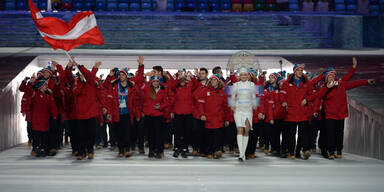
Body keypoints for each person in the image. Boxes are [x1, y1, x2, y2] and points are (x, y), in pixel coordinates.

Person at [317, 66, 375, 159]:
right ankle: (331, 151)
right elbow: (319, 95)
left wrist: (366, 82)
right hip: (330, 114)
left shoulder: (341, 84)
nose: (331, 78)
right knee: (330, 133)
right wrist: (327, 87)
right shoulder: (323, 86)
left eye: (332, 76)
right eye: (329, 76)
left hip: (341, 114)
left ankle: (338, 150)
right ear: (326, 78)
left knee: (339, 133)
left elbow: (354, 84)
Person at [104, 57, 144, 158]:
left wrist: (140, 65)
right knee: (118, 133)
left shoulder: (131, 85)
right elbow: (109, 100)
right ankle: (121, 150)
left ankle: (127, 149)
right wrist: (109, 112)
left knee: (127, 132)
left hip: (128, 113)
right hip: (117, 113)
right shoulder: (113, 86)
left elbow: (139, 77)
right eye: (120, 75)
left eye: (123, 74)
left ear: (126, 76)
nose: (121, 76)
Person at [281, 63, 316, 160]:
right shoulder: (287, 83)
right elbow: (282, 94)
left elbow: (313, 94)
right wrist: (283, 102)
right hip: (291, 112)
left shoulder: (306, 83)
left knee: (303, 134)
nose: (300, 72)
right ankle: (292, 152)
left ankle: (304, 150)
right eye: (298, 70)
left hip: (302, 112)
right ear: (294, 71)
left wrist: (307, 99)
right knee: (291, 134)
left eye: (301, 71)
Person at [197, 74, 229, 159]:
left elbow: (226, 107)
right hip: (208, 118)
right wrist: (202, 114)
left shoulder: (223, 92)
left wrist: (227, 119)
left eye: (214, 80)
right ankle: (209, 151)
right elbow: (200, 104)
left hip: (219, 118)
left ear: (218, 81)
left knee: (218, 136)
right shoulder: (205, 91)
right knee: (209, 136)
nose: (213, 82)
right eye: (211, 80)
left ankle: (217, 151)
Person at [24, 78, 58, 157]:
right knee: (36, 136)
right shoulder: (35, 94)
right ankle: (35, 148)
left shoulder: (48, 96)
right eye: (44, 85)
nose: (46, 87)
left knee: (44, 136)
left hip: (45, 119)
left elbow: (53, 107)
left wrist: (54, 116)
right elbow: (26, 89)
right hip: (37, 119)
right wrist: (29, 83)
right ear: (40, 87)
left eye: (46, 85)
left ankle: (43, 149)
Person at [230, 68, 258, 161]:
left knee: (246, 130)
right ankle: (241, 154)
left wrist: (254, 105)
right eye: (242, 75)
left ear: (248, 76)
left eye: (245, 75)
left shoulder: (252, 84)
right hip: (238, 109)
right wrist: (232, 105)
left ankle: (243, 153)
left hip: (248, 109)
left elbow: (254, 96)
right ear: (239, 76)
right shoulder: (236, 85)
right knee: (239, 130)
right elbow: (232, 97)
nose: (243, 76)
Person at [142, 75, 169, 159]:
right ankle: (151, 150)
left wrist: (160, 106)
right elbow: (143, 97)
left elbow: (166, 102)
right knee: (150, 134)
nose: (156, 83)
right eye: (154, 81)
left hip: (158, 116)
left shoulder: (162, 91)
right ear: (151, 82)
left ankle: (159, 150)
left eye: (157, 81)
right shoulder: (147, 90)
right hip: (149, 115)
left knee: (159, 134)